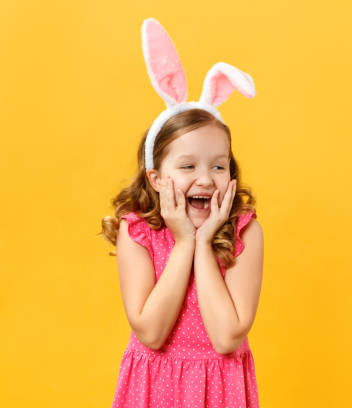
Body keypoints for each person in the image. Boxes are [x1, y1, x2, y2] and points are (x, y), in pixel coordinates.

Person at [99, 18, 263, 407]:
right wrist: (184, 242)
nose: (205, 179)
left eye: (218, 166)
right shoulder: (136, 232)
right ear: (155, 178)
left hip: (221, 389)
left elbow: (226, 337)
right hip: (153, 387)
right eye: (188, 167)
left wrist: (205, 242)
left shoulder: (245, 232)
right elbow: (151, 333)